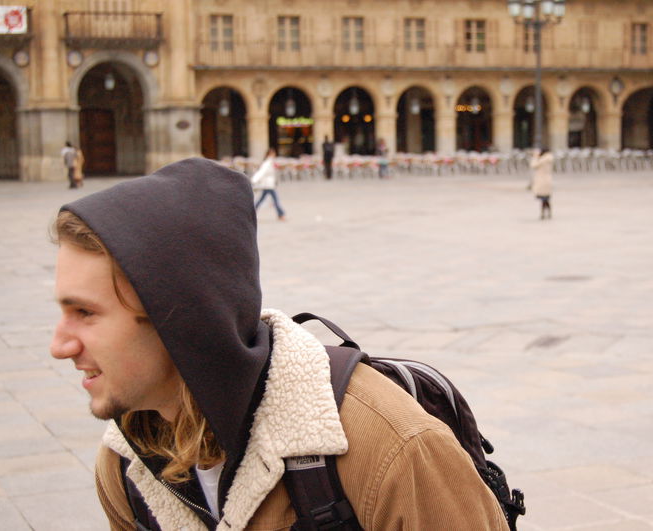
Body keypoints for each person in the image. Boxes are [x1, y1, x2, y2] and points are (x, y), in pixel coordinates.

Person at [49, 157, 507, 530]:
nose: (59, 345)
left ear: (179, 316)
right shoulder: (125, 465)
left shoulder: (393, 449)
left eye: (85, 312)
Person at [250, 148, 286, 220]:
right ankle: (281, 214)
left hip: (269, 184)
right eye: (272, 154)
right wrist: (253, 180)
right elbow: (261, 172)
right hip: (268, 185)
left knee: (261, 200)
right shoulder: (267, 163)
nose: (274, 155)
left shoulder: (270, 162)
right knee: (275, 200)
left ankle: (251, 212)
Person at [530, 148, 554, 220]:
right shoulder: (548, 159)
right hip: (546, 180)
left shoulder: (543, 159)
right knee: (546, 199)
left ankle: (543, 214)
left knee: (544, 199)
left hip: (542, 181)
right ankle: (548, 213)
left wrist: (535, 156)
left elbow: (533, 165)